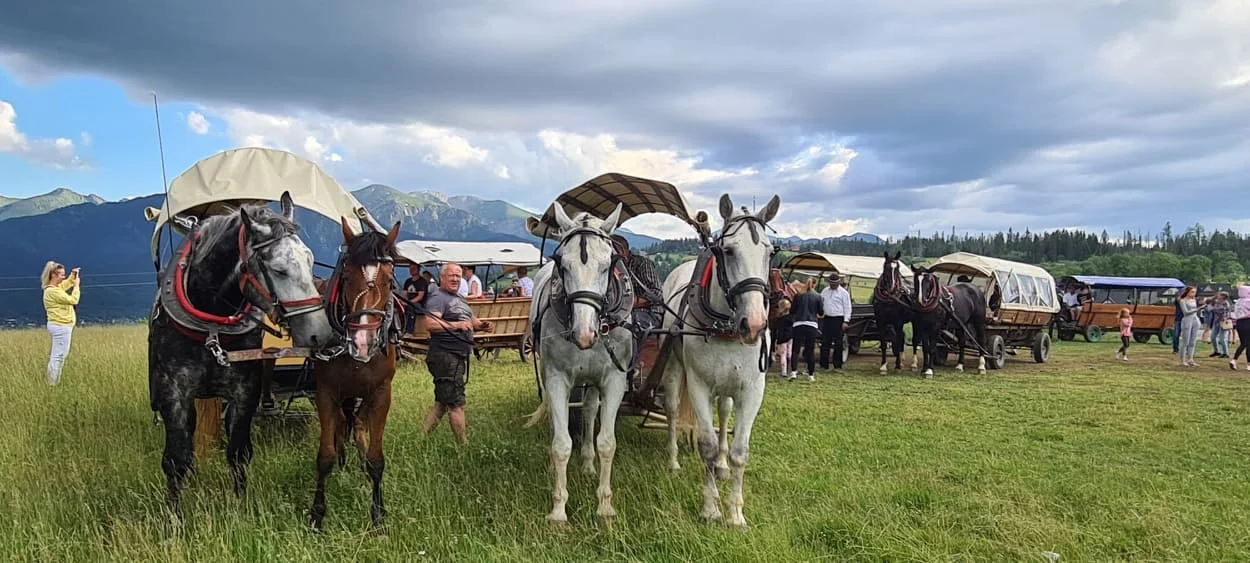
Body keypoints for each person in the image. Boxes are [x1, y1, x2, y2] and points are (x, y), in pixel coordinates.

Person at [422, 263, 493, 444]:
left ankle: (422, 439)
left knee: (442, 402)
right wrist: (456, 326)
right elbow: (430, 324)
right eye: (451, 275)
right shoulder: (438, 297)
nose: (455, 279)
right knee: (456, 403)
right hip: (445, 355)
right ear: (442, 278)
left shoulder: (459, 298)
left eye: (458, 276)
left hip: (457, 355)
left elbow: (469, 319)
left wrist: (481, 325)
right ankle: (463, 447)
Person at [610, 235, 663, 386]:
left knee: (631, 324)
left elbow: (656, 293)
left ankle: (631, 369)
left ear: (622, 250)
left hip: (649, 312)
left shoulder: (642, 264)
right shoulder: (610, 267)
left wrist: (631, 303)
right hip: (620, 313)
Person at [41, 261, 80, 386]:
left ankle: (54, 381)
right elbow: (74, 300)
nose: (63, 277)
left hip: (59, 326)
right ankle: (52, 383)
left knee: (59, 356)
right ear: (53, 275)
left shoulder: (55, 288)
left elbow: (65, 284)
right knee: (58, 357)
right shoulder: (52, 292)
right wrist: (76, 286)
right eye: (61, 275)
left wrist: (72, 276)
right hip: (61, 326)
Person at [789, 278, 822, 381]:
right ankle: (811, 375)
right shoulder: (818, 296)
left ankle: (794, 372)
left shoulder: (798, 295)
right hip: (811, 324)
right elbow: (820, 312)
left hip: (798, 323)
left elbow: (792, 310)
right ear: (814, 285)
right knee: (810, 350)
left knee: (795, 349)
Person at [818, 273, 852, 371]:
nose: (833, 285)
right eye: (831, 283)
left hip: (839, 320)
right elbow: (821, 303)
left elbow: (847, 307)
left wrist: (846, 321)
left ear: (838, 283)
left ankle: (837, 365)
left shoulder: (843, 293)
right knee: (825, 343)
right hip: (827, 319)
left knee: (838, 343)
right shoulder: (825, 291)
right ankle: (824, 365)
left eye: (835, 283)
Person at [1177, 286, 1204, 367]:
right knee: (1186, 341)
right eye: (1192, 292)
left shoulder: (1194, 300)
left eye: (1194, 292)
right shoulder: (1183, 301)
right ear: (1187, 292)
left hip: (1195, 320)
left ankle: (1190, 359)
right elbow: (1186, 312)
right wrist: (1197, 309)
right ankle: (1182, 360)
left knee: (1193, 341)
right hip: (1187, 320)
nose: (1194, 293)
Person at [401, 264, 429, 333]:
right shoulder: (408, 281)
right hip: (408, 302)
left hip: (420, 305)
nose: (411, 270)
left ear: (419, 269)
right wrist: (403, 301)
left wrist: (408, 302)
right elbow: (404, 294)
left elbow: (420, 297)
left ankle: (409, 331)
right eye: (410, 268)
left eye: (414, 268)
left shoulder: (422, 282)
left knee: (411, 307)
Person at [772, 297, 794, 380]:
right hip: (791, 337)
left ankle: (784, 372)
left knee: (783, 355)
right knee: (790, 353)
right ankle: (793, 370)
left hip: (782, 338)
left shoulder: (779, 320)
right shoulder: (791, 318)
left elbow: (777, 330)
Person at [1230, 284, 1250, 371]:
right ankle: (1247, 363)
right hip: (1248, 321)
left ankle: (1236, 360)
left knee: (1244, 342)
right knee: (1247, 343)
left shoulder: (1238, 302)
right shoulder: (1248, 301)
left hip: (1239, 323)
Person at [1208, 291, 1232, 359]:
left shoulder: (1225, 303)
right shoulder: (1215, 302)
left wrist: (1223, 319)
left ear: (1223, 296)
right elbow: (1209, 308)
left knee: (1222, 338)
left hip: (1223, 322)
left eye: (1219, 295)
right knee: (1213, 337)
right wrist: (1212, 300)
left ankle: (1225, 353)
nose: (1217, 296)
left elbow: (1226, 313)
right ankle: (1216, 351)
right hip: (1216, 322)